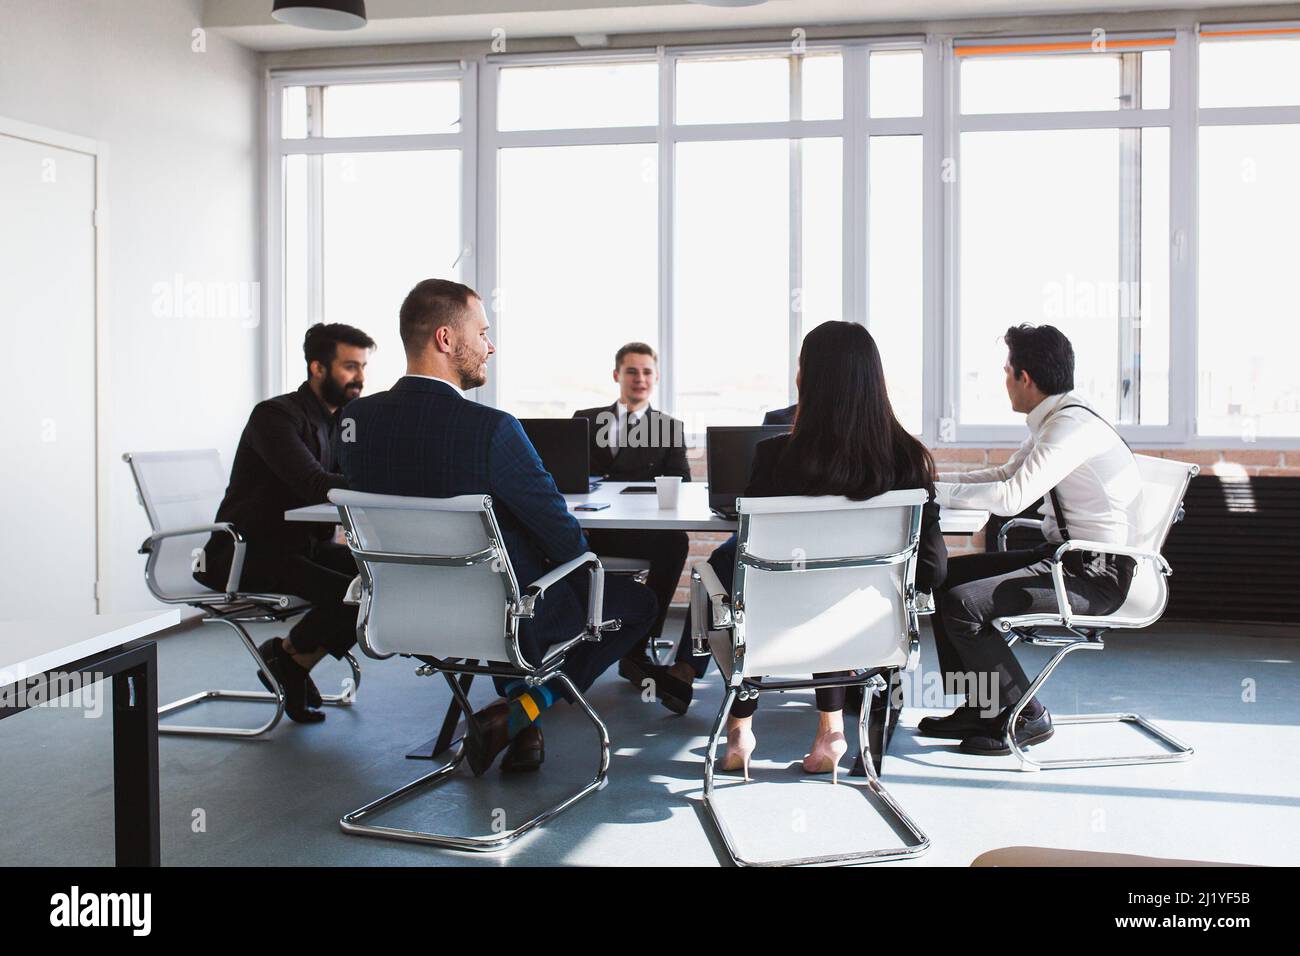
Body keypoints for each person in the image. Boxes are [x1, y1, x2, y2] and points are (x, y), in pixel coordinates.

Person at [339, 279, 656, 774]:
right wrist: (577, 580)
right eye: (482, 332)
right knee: (636, 600)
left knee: (508, 584)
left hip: (403, 617)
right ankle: (523, 710)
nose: (491, 345)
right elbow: (564, 539)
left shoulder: (355, 423)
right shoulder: (492, 429)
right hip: (501, 619)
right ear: (446, 339)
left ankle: (519, 719)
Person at [667, 321, 947, 780]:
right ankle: (830, 731)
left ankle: (740, 730)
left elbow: (748, 560)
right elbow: (933, 570)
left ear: (806, 381)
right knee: (822, 592)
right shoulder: (910, 460)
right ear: (876, 382)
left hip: (776, 629)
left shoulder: (776, 456)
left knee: (739, 584)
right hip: (867, 629)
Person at [923, 324, 1142, 756]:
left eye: (1006, 370)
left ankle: (1026, 715)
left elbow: (1011, 496)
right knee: (946, 576)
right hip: (1066, 557)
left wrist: (933, 492)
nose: (1004, 379)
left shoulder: (1071, 427)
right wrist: (933, 483)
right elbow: (1005, 474)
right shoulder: (1058, 419)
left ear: (1024, 377)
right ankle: (983, 706)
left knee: (964, 604)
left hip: (1096, 574)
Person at [195, 322, 374, 723]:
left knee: (381, 580)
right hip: (247, 554)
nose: (359, 377)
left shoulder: (343, 421)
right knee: (358, 593)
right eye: (349, 366)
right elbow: (314, 484)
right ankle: (291, 661)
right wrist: (383, 483)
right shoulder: (274, 417)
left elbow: (352, 476)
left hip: (300, 550)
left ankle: (289, 656)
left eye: (362, 366)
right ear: (317, 368)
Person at [572, 343, 691, 699]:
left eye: (646, 372)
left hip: (635, 531)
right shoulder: (586, 419)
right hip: (590, 530)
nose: (640, 379)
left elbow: (682, 482)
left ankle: (638, 642)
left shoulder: (668, 427)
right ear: (616, 375)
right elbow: (564, 474)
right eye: (631, 371)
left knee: (676, 542)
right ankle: (563, 635)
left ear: (655, 378)